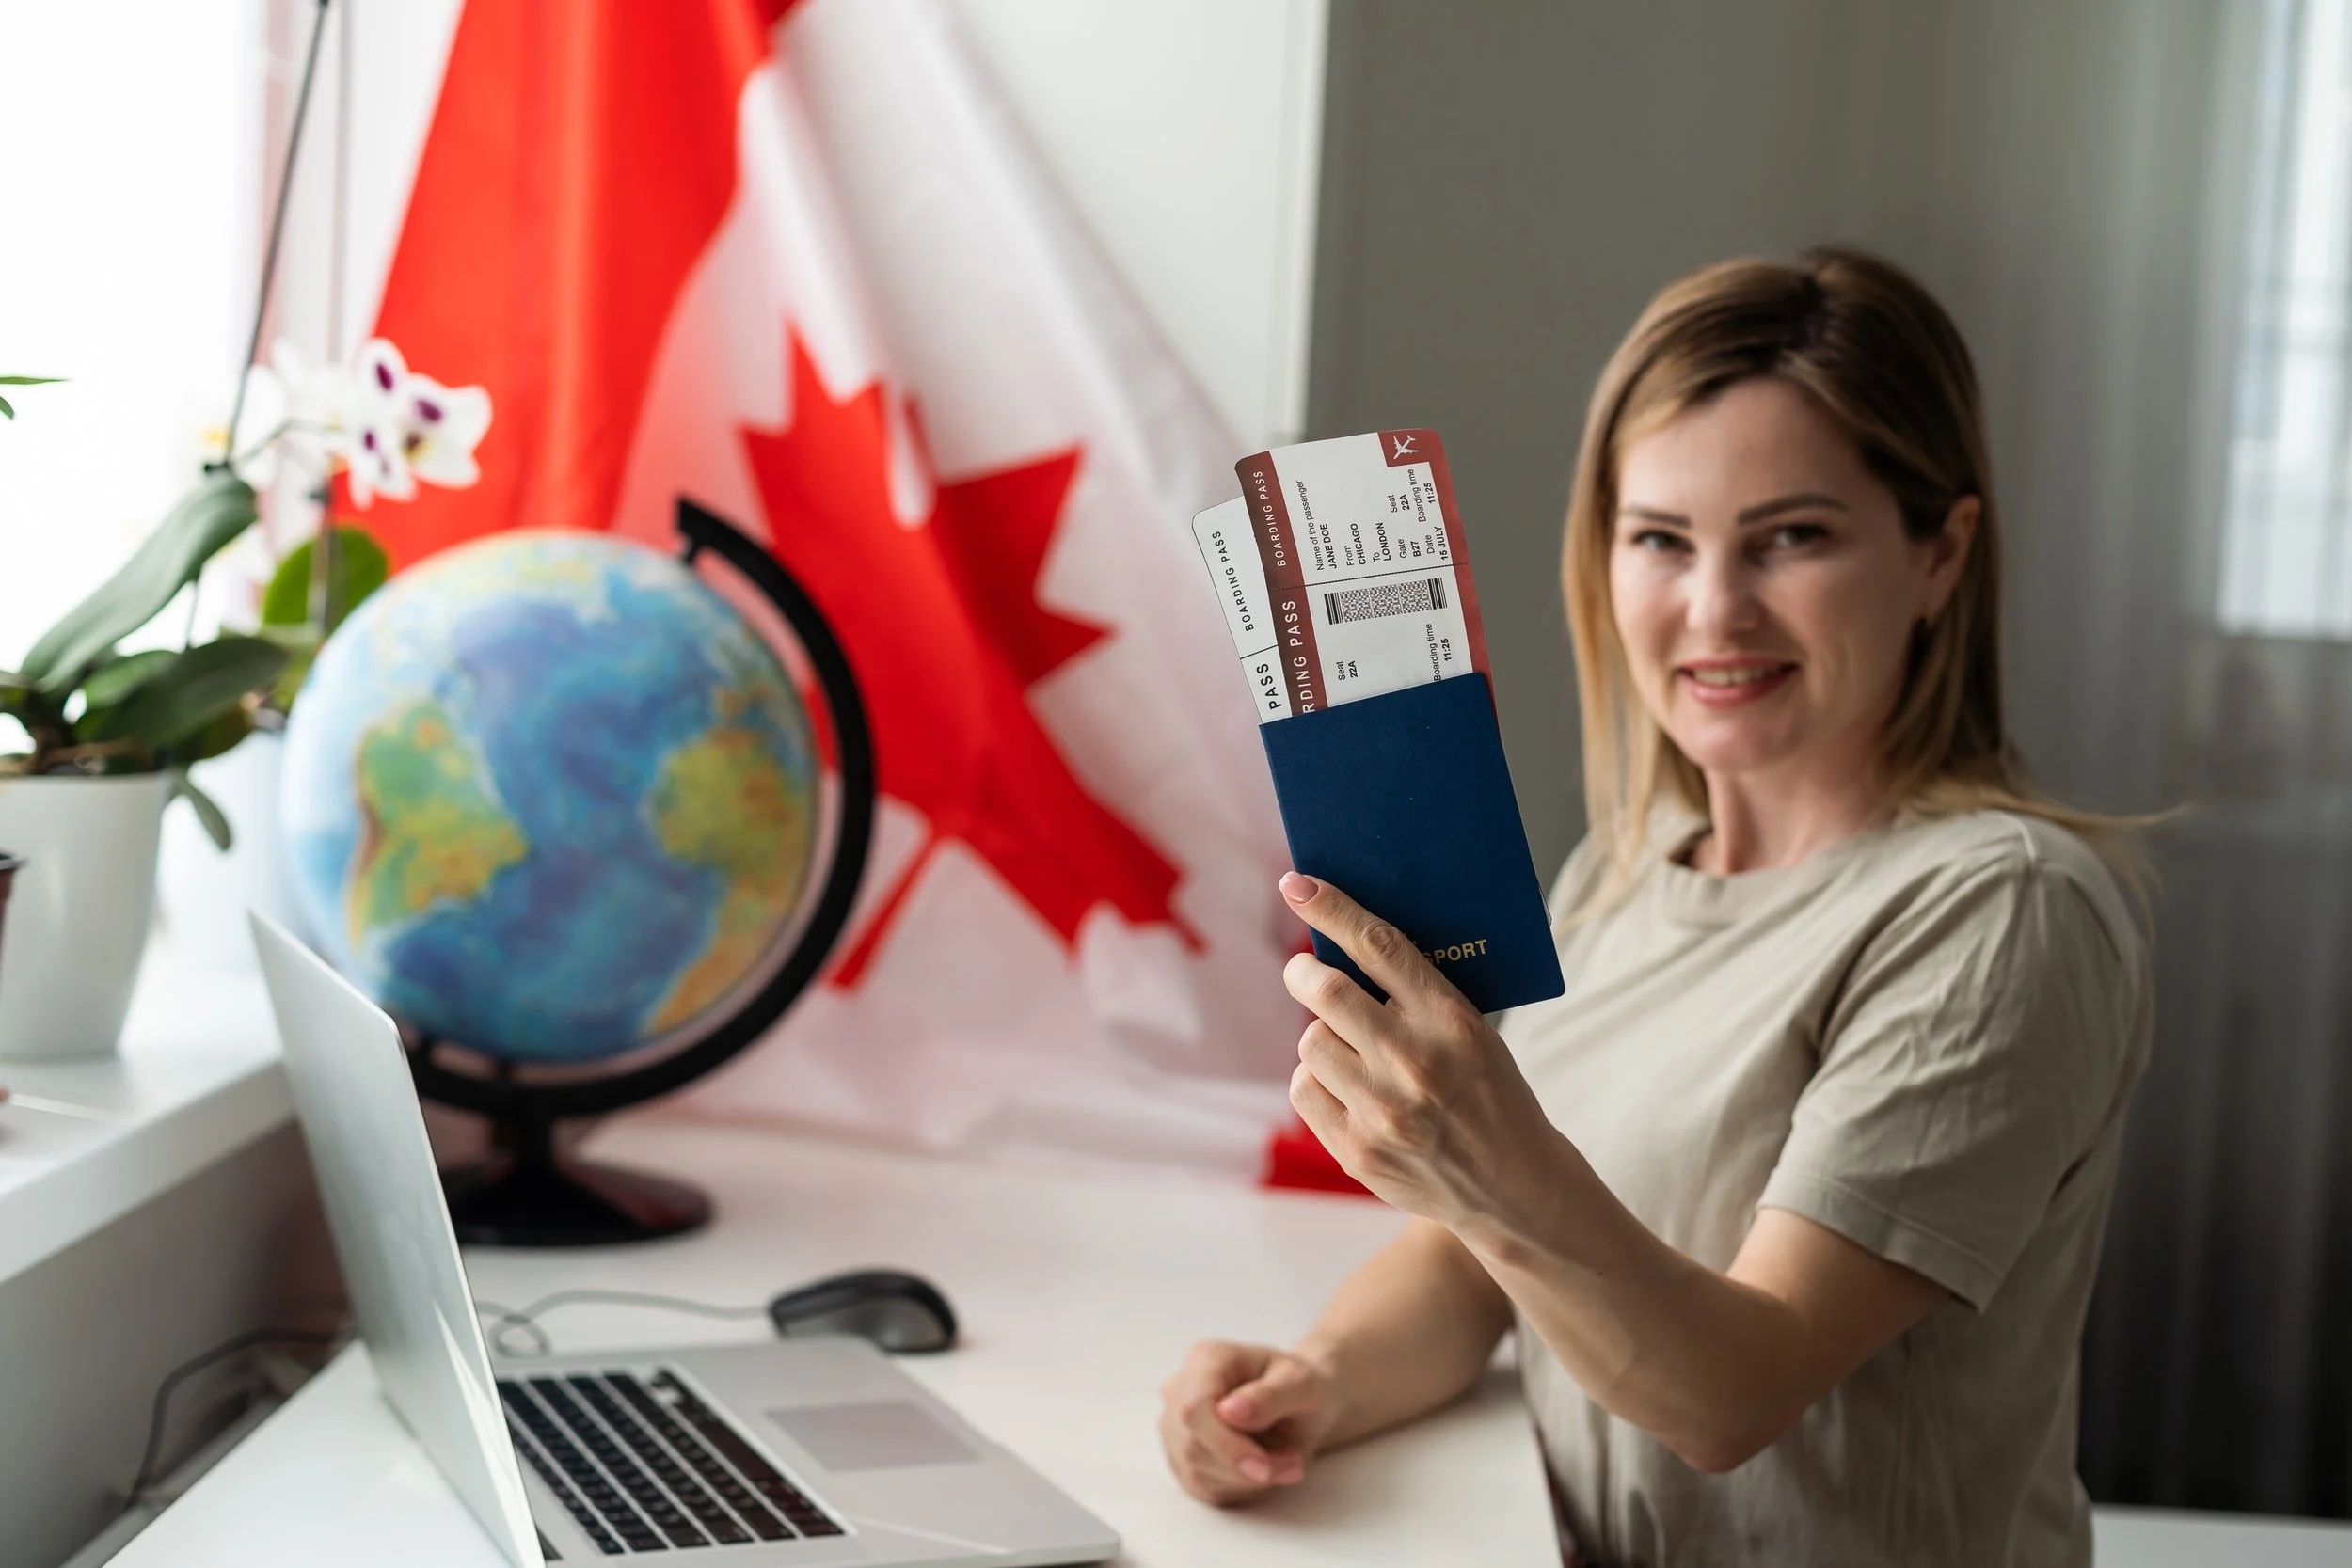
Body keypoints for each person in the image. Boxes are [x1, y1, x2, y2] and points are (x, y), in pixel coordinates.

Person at [1156, 246, 2152, 1567]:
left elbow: (1730, 1391)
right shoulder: (1625, 871)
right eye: (1661, 540)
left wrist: (1493, 1157)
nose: (1713, 608)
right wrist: (1315, 1379)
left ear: (1939, 555)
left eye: (1793, 536)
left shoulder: (2002, 912)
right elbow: (1474, 1267)